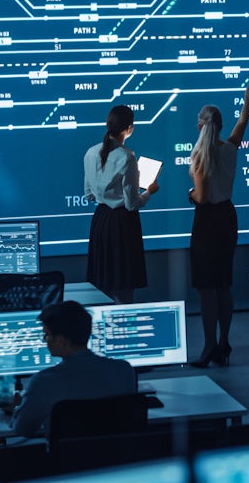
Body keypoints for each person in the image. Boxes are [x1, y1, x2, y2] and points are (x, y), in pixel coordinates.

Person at [187, 79, 249, 368]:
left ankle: (208, 347)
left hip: (207, 222)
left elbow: (202, 197)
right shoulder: (230, 148)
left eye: (197, 121)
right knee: (223, 285)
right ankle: (224, 343)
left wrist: (190, 194)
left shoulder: (201, 156)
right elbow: (243, 121)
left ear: (203, 126)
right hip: (228, 219)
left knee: (206, 288)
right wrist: (247, 96)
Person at [11, 301, 136, 437]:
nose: (45, 340)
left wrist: (20, 406)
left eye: (47, 335)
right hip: (117, 455)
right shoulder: (124, 370)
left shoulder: (43, 382)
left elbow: (22, 430)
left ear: (61, 340)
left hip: (69, 457)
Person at [84, 105, 159, 304]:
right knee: (123, 287)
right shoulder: (127, 157)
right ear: (129, 128)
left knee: (103, 285)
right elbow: (132, 204)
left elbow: (89, 195)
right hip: (123, 225)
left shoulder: (90, 153)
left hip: (100, 222)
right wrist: (149, 192)